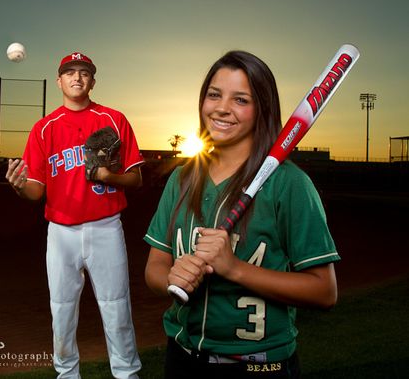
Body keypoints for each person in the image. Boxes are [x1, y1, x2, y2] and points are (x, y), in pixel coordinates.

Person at [144, 50, 340, 379]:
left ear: (261, 109)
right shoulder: (183, 178)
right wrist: (170, 279)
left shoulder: (289, 184)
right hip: (181, 358)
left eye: (241, 100)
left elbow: (324, 292)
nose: (222, 108)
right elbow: (155, 266)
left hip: (258, 365)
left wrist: (233, 268)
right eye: (214, 95)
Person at [6, 52, 143, 379]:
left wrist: (110, 177)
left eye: (84, 72)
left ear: (92, 81)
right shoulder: (44, 129)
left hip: (106, 226)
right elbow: (36, 192)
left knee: (116, 306)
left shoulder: (113, 119)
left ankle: (126, 373)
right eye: (70, 72)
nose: (77, 77)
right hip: (61, 232)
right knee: (62, 311)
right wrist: (19, 186)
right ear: (60, 81)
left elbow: (136, 178)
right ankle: (66, 374)